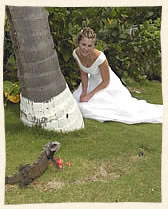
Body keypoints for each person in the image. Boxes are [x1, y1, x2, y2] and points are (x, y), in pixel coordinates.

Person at [72, 27, 162, 124]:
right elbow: (83, 73)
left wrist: (89, 95)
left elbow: (106, 81)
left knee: (103, 107)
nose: (85, 48)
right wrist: (84, 92)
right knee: (79, 102)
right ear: (78, 43)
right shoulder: (76, 53)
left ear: (94, 46)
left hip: (106, 84)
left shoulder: (100, 58)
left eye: (90, 46)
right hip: (91, 81)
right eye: (83, 44)